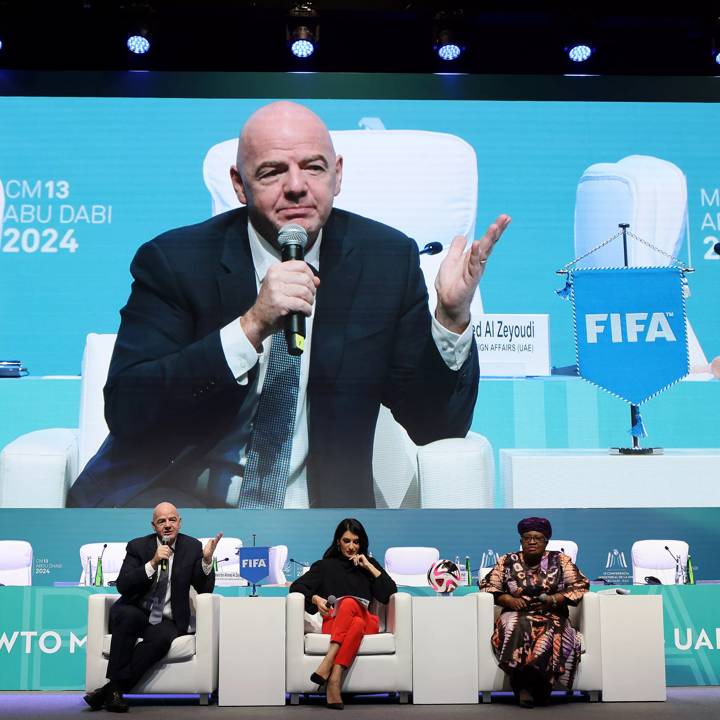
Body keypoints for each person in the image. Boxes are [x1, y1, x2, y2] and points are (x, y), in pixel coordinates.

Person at [67, 100, 511, 509]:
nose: (296, 186)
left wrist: (451, 319)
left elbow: (434, 425)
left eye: (313, 168)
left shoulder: (384, 260)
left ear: (338, 174)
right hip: (177, 501)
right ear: (239, 185)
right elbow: (129, 410)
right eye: (272, 172)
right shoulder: (177, 261)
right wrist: (250, 326)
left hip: (320, 515)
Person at [83, 502, 222, 713]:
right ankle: (112, 692)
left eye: (172, 520)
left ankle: (110, 691)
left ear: (180, 522)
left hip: (167, 618)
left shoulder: (192, 547)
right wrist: (153, 563)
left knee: (160, 641)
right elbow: (123, 585)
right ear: (153, 526)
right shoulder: (138, 547)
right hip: (138, 610)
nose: (167, 525)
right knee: (127, 617)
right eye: (161, 521)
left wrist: (206, 561)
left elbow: (205, 588)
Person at [479, 517, 589, 708]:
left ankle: (537, 686)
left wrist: (554, 600)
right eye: (527, 537)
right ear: (521, 541)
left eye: (537, 538)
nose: (532, 541)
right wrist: (508, 600)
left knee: (552, 629)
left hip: (552, 614)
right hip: (515, 613)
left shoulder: (561, 560)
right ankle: (527, 687)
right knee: (517, 625)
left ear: (546, 542)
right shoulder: (506, 560)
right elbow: (488, 585)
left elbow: (580, 585)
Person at [289, 518, 397, 709]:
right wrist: (315, 599)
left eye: (356, 542)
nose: (351, 547)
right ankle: (334, 678)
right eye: (346, 541)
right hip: (337, 624)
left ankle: (328, 661)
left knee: (349, 605)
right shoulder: (324, 566)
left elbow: (389, 592)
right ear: (338, 541)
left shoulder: (368, 565)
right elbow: (296, 587)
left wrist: (369, 567)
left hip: (369, 623)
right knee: (355, 622)